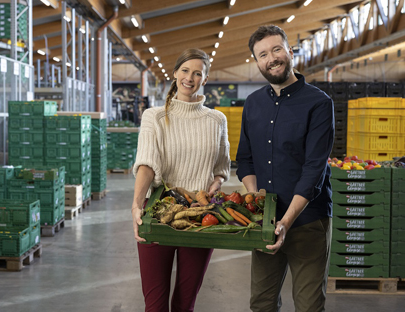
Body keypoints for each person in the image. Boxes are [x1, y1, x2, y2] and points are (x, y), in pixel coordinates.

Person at [236, 25, 334, 312]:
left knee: (308, 305)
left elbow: (314, 170)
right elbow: (245, 159)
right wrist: (257, 202)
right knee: (262, 303)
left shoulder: (318, 103)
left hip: (307, 221)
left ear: (290, 52)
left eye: (277, 49)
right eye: (263, 54)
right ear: (257, 63)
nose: (272, 58)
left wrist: (286, 222)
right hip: (264, 222)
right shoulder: (253, 103)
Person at [131, 48, 231, 312]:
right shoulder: (155, 116)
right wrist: (136, 205)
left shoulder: (217, 120)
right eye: (185, 70)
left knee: (185, 303)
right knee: (154, 305)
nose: (190, 78)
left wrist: (216, 183)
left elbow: (222, 166)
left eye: (198, 73)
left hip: (201, 217)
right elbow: (147, 164)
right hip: (158, 212)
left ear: (205, 79)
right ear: (175, 73)